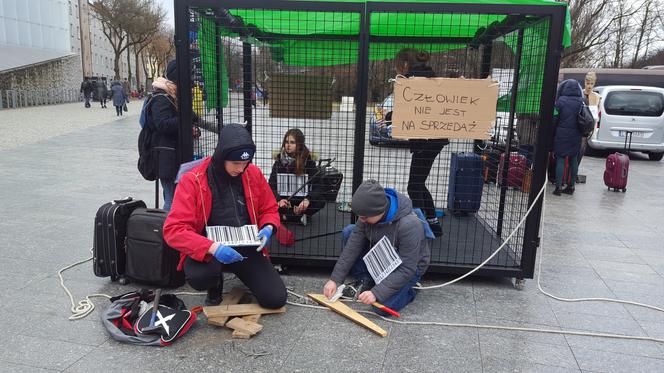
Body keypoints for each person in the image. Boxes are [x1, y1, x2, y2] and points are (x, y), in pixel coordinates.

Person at [163, 123, 287, 308]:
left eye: (245, 163)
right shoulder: (193, 179)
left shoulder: (252, 173)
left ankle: (242, 272)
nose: (241, 169)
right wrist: (213, 248)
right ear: (221, 157)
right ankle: (214, 285)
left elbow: (269, 208)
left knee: (275, 299)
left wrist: (268, 227)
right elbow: (173, 230)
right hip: (208, 246)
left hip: (246, 244)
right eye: (236, 163)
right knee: (201, 277)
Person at [323, 180, 432, 316]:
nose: (361, 220)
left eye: (364, 217)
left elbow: (407, 268)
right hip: (383, 256)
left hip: (408, 267)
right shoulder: (369, 214)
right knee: (349, 232)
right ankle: (367, 279)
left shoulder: (409, 224)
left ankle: (411, 288)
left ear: (379, 211)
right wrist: (335, 280)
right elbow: (352, 247)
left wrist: (377, 293)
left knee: (381, 308)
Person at [395, 48, 447, 237]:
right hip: (437, 140)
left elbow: (408, 110)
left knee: (414, 185)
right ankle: (433, 222)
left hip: (424, 141)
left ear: (406, 64)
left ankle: (420, 227)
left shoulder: (409, 81)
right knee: (419, 182)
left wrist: (393, 116)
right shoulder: (433, 79)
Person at [268, 129, 324, 224]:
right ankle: (296, 217)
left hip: (301, 201)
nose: (288, 145)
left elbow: (318, 185)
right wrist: (279, 200)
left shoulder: (308, 161)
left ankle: (285, 217)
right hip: (285, 200)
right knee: (267, 201)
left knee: (321, 201)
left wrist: (308, 200)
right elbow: (271, 185)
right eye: (286, 142)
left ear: (299, 144)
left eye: (292, 142)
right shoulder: (278, 162)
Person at [552, 79, 584, 196]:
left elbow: (554, 119)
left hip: (562, 134)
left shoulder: (560, 102)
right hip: (576, 135)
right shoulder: (582, 101)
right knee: (573, 159)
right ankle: (571, 186)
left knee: (560, 158)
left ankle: (558, 187)